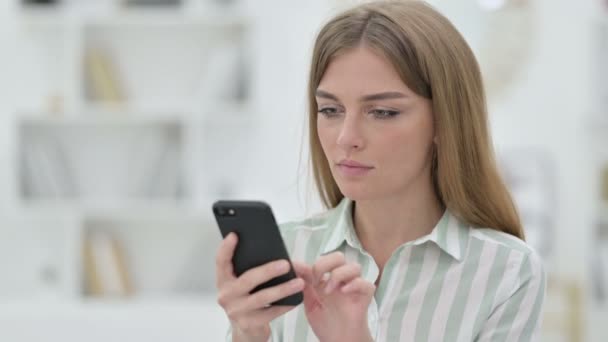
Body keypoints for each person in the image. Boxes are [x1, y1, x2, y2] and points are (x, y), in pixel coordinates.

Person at [215, 1, 547, 341]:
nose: (347, 138)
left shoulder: (506, 271)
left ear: (444, 121)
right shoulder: (287, 255)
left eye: (383, 112)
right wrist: (247, 334)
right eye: (330, 109)